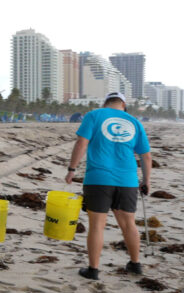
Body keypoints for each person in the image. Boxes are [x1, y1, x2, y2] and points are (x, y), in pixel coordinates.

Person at [65, 92, 151, 280]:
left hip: (98, 178)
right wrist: (146, 181)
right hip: (127, 181)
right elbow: (145, 156)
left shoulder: (94, 115)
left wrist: (72, 169)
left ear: (105, 103)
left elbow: (81, 143)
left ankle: (93, 270)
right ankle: (135, 264)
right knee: (129, 224)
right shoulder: (134, 122)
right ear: (123, 104)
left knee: (97, 225)